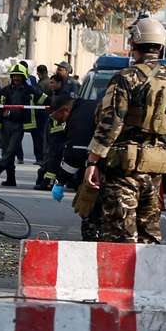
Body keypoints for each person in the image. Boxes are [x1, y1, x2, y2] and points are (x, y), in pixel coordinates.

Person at [83, 18, 166, 243]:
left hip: (124, 169)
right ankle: (151, 279)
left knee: (121, 238)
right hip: (155, 168)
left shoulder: (126, 78)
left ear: (135, 43)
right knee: (150, 239)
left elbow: (111, 124)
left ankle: (122, 280)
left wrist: (92, 162)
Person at [48, 95, 100, 240]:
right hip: (106, 166)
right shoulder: (87, 106)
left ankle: (92, 243)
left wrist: (60, 181)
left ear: (65, 110)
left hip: (98, 172)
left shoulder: (78, 119)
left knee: (90, 211)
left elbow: (76, 156)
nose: (57, 121)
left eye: (56, 117)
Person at [0, 63, 47, 187]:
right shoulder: (5, 90)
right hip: (5, 124)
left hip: (19, 125)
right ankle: (11, 179)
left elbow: (45, 100)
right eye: (14, 76)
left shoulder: (30, 90)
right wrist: (1, 111)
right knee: (6, 151)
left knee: (11, 151)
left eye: (19, 76)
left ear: (23, 77)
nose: (16, 78)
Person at [35, 74, 68, 191]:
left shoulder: (63, 97)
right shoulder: (56, 95)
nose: (51, 85)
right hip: (53, 131)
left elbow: (62, 114)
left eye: (53, 83)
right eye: (50, 83)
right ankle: (47, 179)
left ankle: (48, 182)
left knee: (54, 158)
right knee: (51, 156)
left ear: (59, 83)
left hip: (59, 132)